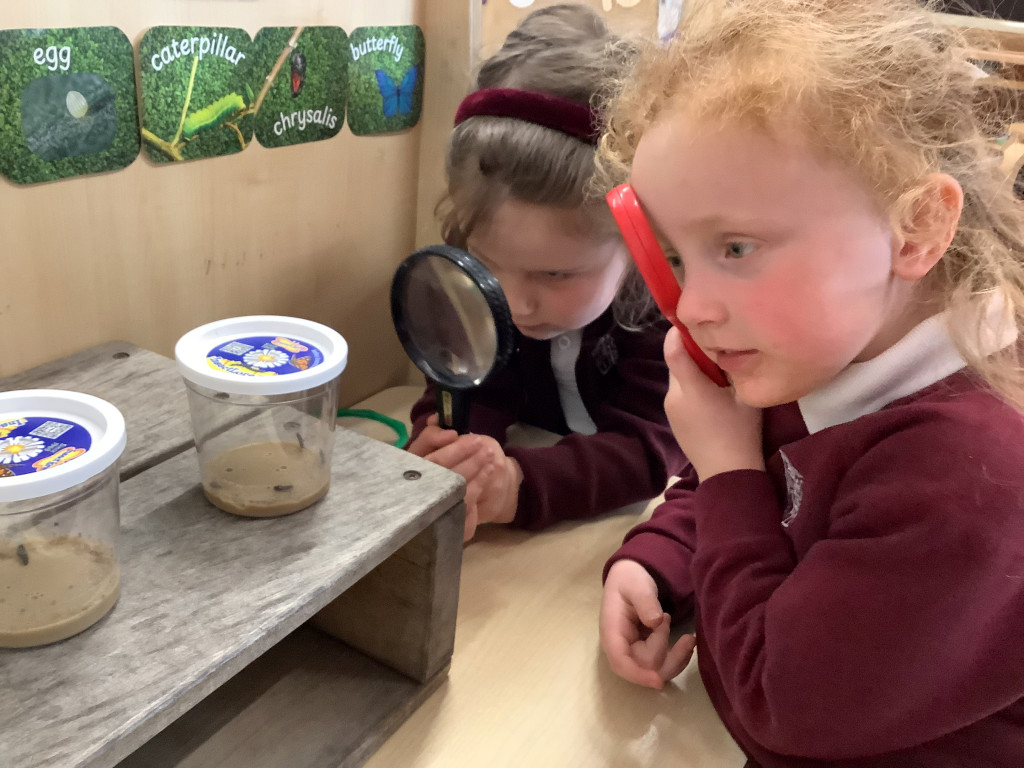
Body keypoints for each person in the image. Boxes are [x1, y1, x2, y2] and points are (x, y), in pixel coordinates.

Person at [596, 1, 1024, 765]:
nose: (691, 305)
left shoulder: (971, 477)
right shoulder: (831, 346)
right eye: (681, 257)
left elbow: (781, 710)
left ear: (918, 228)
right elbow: (768, 486)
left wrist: (726, 471)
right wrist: (661, 555)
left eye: (735, 245)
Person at [406, 4, 686, 541]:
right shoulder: (475, 283)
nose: (512, 304)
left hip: (629, 533)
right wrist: (450, 452)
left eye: (555, 275)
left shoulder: (671, 312)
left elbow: (650, 447)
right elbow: (468, 384)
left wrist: (515, 484)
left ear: (639, 239)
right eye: (487, 262)